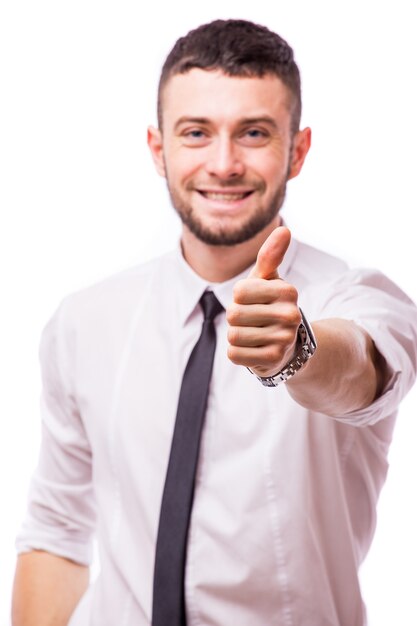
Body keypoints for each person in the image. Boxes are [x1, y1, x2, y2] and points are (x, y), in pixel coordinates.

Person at [12, 18, 417, 626]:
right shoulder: (83, 323)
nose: (223, 164)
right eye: (196, 132)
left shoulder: (357, 300)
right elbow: (57, 530)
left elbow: (359, 372)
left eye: (253, 132)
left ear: (297, 150)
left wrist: (297, 353)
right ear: (159, 149)